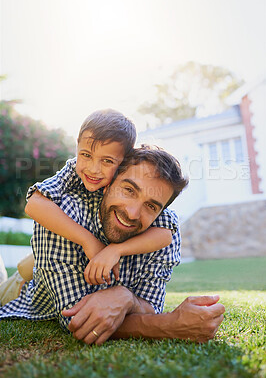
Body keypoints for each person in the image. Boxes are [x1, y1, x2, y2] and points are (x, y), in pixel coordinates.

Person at [0, 146, 225, 344]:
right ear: (107, 184)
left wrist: (124, 297)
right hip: (21, 290)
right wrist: (169, 325)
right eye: (129, 190)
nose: (132, 213)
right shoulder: (64, 212)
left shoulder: (164, 232)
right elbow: (75, 320)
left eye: (151, 206)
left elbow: (150, 306)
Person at [22, 109, 179, 286]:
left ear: (124, 161)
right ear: (77, 147)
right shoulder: (74, 171)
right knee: (23, 272)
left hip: (93, 241)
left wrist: (116, 250)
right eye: (86, 155)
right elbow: (34, 204)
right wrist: (88, 242)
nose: (93, 169)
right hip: (59, 245)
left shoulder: (130, 180)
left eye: (107, 161)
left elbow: (166, 235)